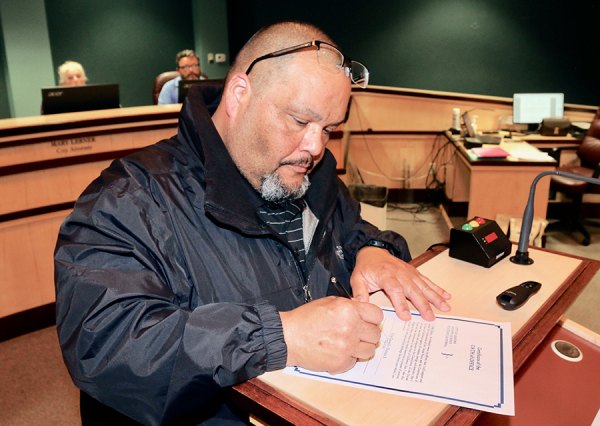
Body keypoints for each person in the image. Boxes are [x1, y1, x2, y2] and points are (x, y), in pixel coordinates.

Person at [54, 21, 452, 425]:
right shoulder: (128, 199)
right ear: (240, 94)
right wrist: (280, 337)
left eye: (329, 128)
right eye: (299, 121)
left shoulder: (309, 171)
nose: (315, 147)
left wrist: (373, 250)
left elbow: (349, 230)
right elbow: (105, 343)